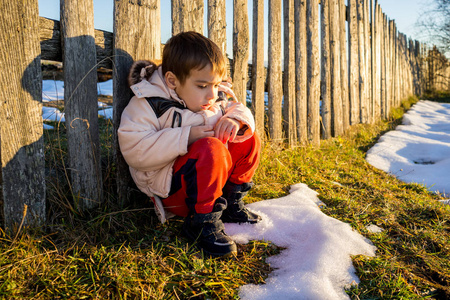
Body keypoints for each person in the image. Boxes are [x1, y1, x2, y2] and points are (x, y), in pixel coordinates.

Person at [118, 31, 261, 258]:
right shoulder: (148, 103)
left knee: (247, 136)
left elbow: (238, 108)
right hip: (173, 191)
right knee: (210, 148)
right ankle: (201, 223)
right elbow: (135, 150)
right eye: (203, 86)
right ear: (172, 81)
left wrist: (234, 119)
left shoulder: (214, 97)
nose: (212, 95)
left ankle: (231, 202)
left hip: (212, 185)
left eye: (216, 85)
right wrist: (185, 137)